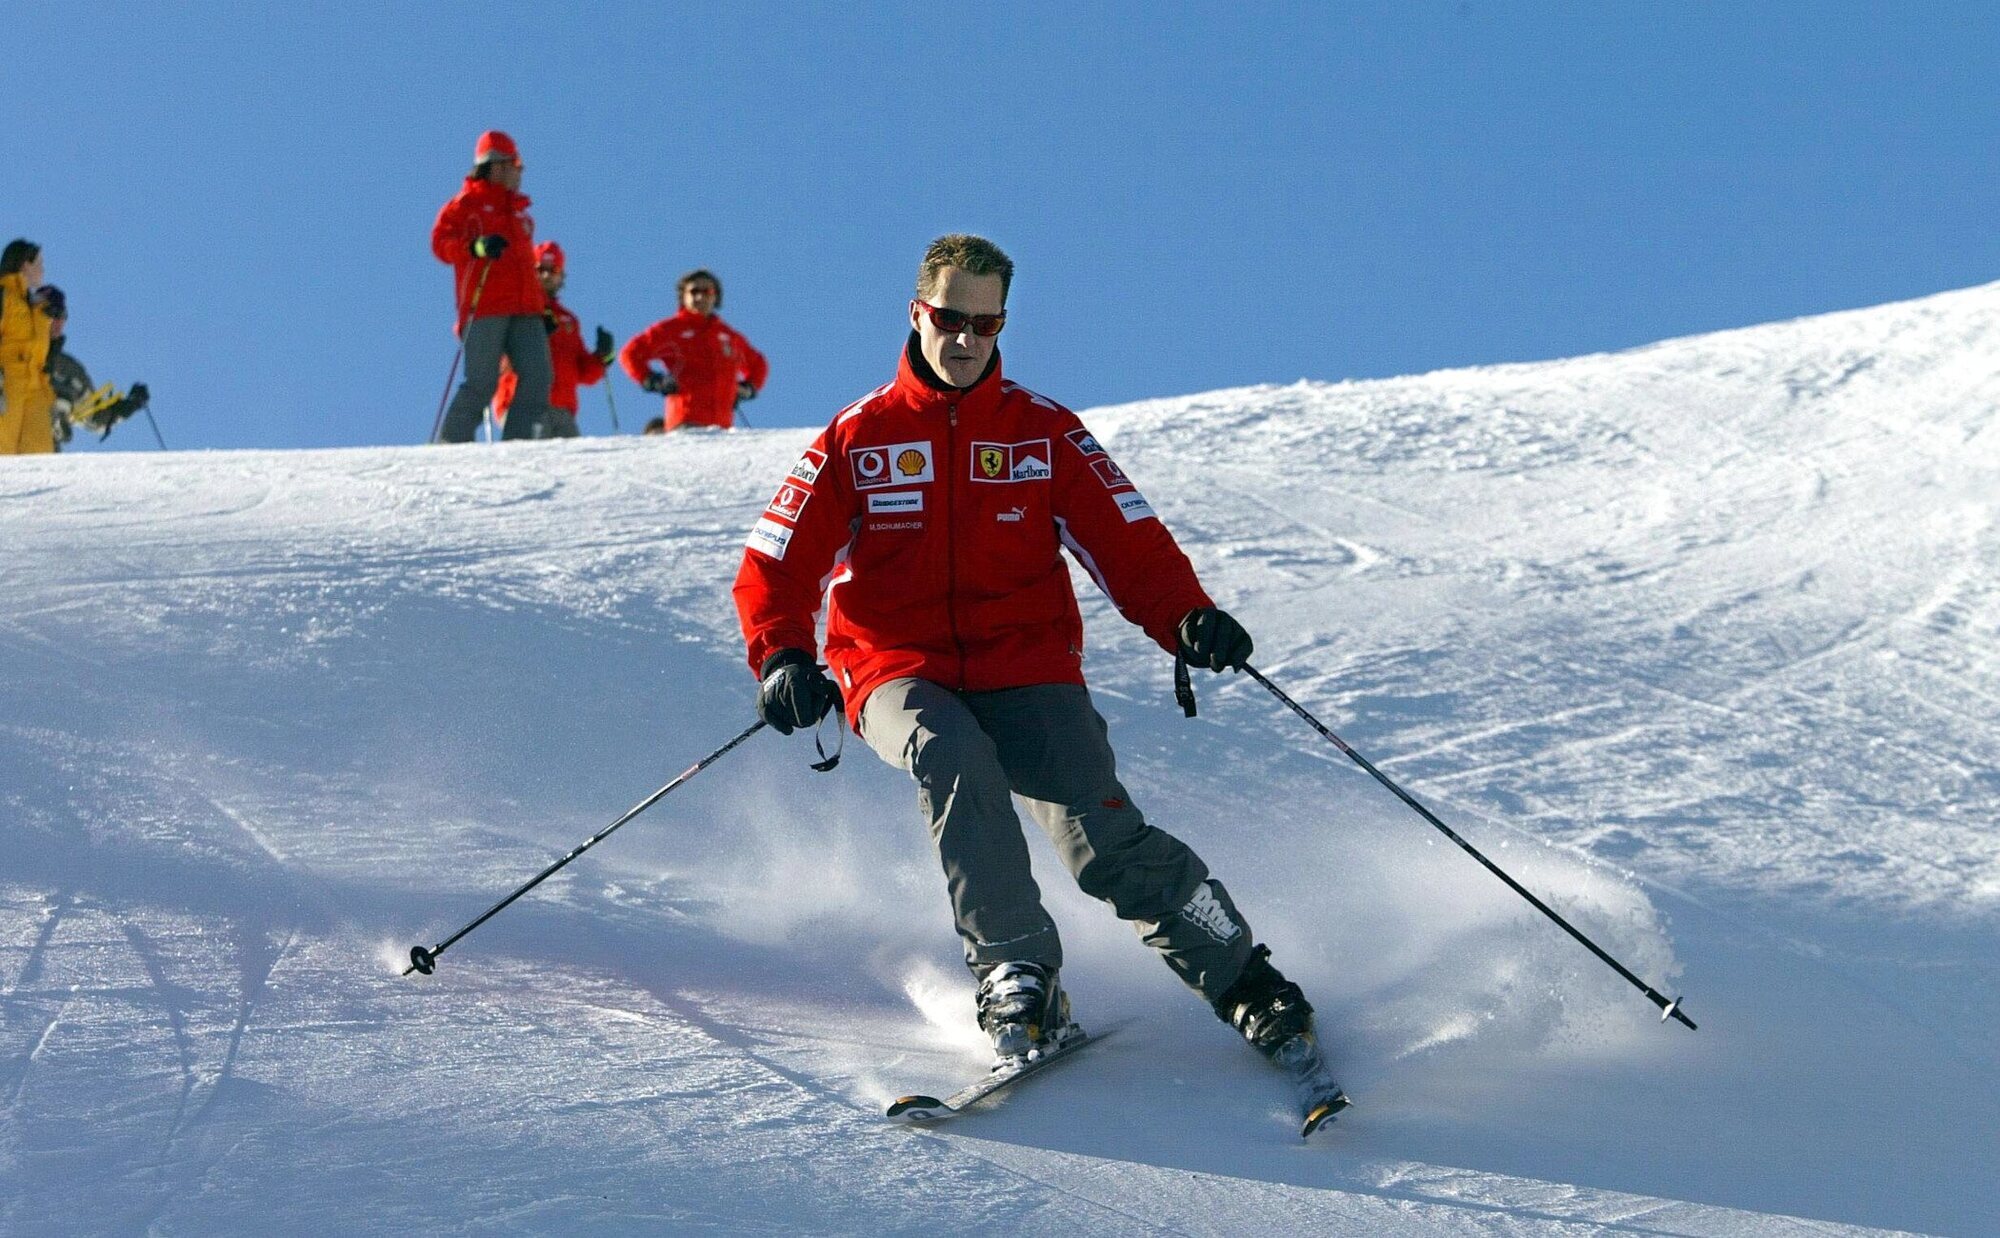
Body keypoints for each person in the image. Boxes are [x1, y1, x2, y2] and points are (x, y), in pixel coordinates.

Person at [731, 234, 1337, 1110]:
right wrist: (785, 656)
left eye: (985, 322)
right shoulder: (860, 438)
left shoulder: (1043, 432)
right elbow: (775, 563)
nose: (967, 339)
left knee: (1100, 832)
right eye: (950, 319)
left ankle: (1247, 982)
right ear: (918, 314)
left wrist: (1186, 616)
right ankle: (1019, 971)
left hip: (1026, 665)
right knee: (952, 756)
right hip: (895, 666)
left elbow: (1130, 544)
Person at [430, 130, 554, 442]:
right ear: (497, 166)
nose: (520, 172)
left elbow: (526, 266)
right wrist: (475, 247)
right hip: (485, 306)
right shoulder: (465, 206)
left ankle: (519, 441)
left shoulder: (518, 211)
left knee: (539, 375)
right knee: (482, 383)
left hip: (526, 308)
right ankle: (450, 441)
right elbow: (440, 243)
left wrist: (544, 308)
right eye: (517, 164)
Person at [618, 269, 767, 432]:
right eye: (694, 291)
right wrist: (652, 380)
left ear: (715, 296)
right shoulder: (671, 330)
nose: (700, 297)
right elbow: (630, 353)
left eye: (707, 291)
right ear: (683, 296)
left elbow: (758, 364)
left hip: (723, 427)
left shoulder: (729, 336)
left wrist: (748, 389)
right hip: (685, 422)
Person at [494, 241, 614, 438]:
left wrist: (603, 356)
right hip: (524, 406)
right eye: (540, 269)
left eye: (553, 269)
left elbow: (583, 372)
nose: (547, 275)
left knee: (577, 466)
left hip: (562, 410)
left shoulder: (568, 320)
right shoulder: (514, 308)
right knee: (532, 463)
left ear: (561, 276)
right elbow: (496, 356)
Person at [40, 287, 150, 447]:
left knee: (63, 396)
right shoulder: (10, 352)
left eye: (62, 316)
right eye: (51, 313)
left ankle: (56, 419)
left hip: (37, 453)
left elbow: (96, 416)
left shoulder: (69, 369)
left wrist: (129, 405)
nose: (57, 321)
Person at [1, 239, 58, 455]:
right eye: (39, 263)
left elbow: (43, 358)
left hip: (35, 391)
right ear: (25, 264)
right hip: (6, 384)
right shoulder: (4, 296)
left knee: (39, 461)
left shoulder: (37, 308)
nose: (43, 269)